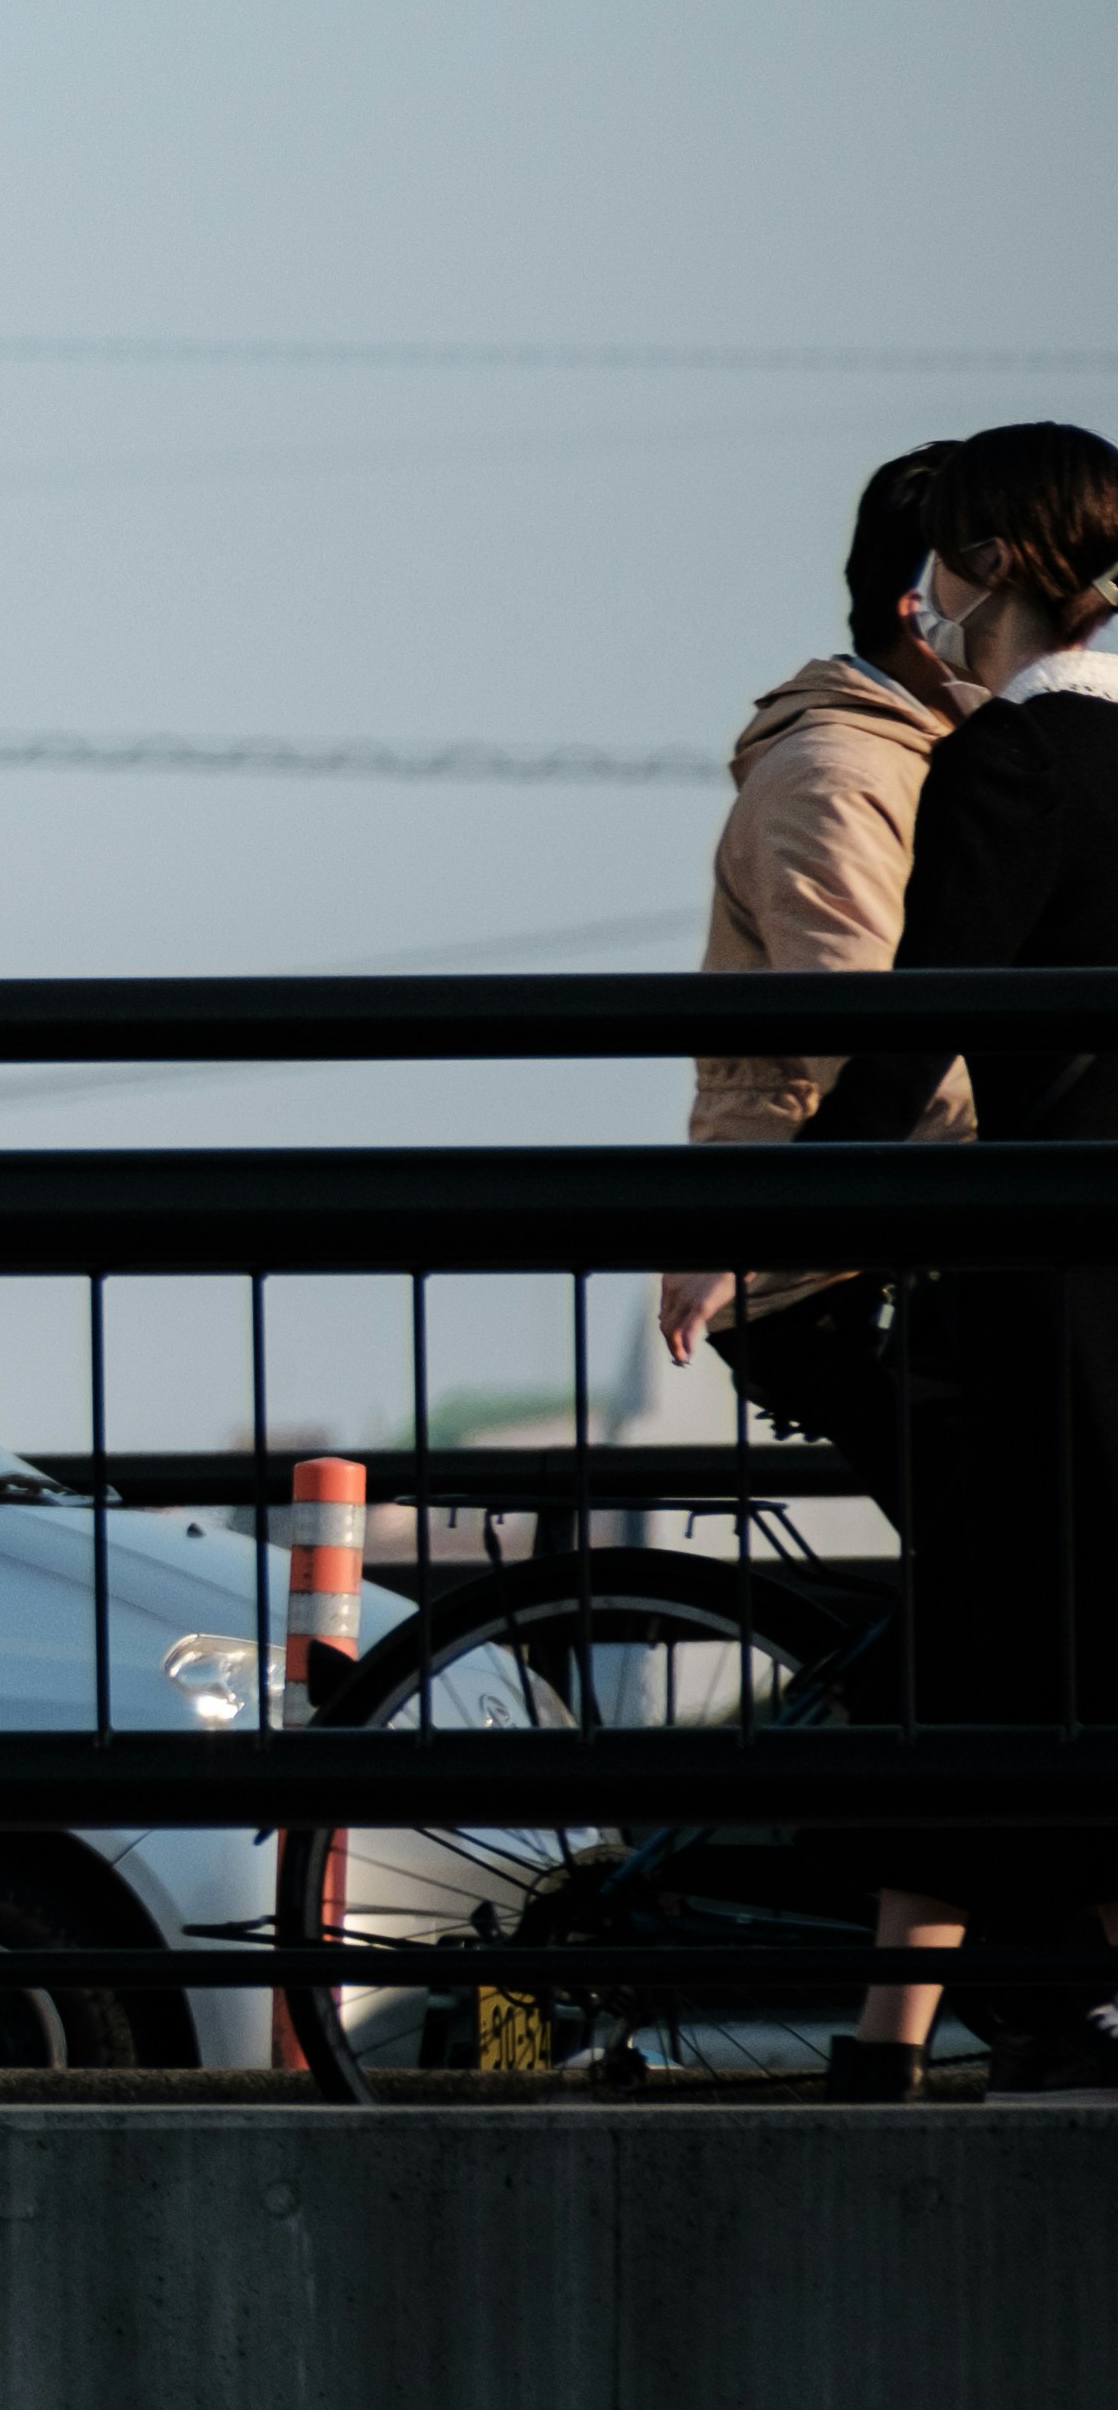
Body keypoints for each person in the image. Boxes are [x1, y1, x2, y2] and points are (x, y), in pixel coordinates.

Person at [794, 417, 1118, 2101]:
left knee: (1002, 1650)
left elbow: (924, 1030)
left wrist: (781, 1214)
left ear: (989, 566)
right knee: (1004, 1648)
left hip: (1046, 1284)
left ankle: (1020, 2027)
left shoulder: (1018, 763)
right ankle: (926, 2036)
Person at [661, 440, 983, 1369]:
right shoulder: (840, 779)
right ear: (919, 604)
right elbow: (871, 1044)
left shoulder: (930, 759)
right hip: (834, 1275)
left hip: (868, 1246)